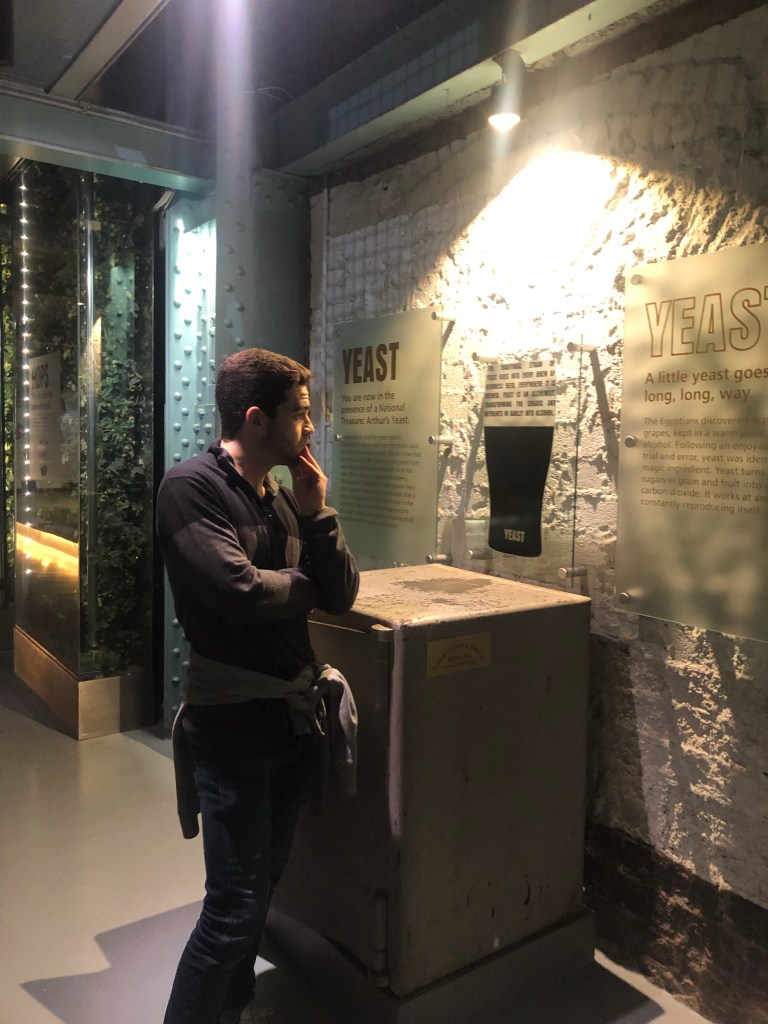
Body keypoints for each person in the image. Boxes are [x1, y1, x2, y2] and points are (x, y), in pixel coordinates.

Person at [156, 348, 359, 1024]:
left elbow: (343, 591)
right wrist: (309, 587)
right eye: (299, 412)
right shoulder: (190, 488)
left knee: (261, 889)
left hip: (287, 726)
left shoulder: (283, 498)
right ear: (256, 417)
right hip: (232, 730)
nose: (311, 426)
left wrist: (318, 514)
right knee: (233, 908)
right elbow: (239, 592)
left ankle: (233, 1008)